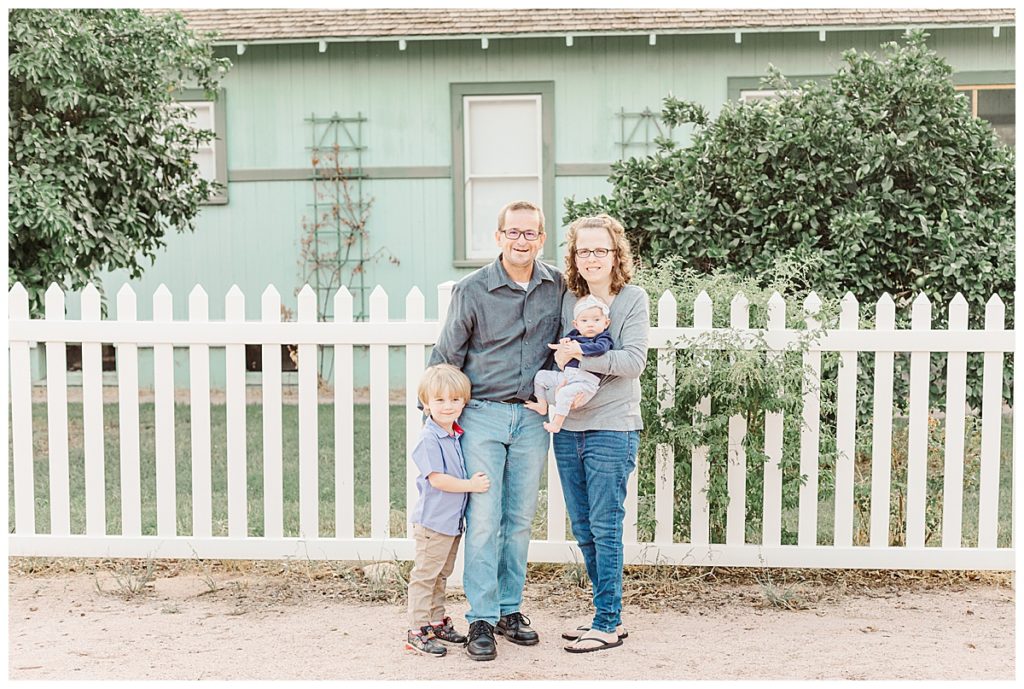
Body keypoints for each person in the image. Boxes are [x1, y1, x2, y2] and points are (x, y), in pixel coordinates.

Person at [428, 200, 565, 661]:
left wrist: (553, 391)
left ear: (542, 238)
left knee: (520, 520)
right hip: (483, 414)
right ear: (499, 236)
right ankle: (481, 617)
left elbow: (570, 345)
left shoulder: (557, 286)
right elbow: (446, 357)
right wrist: (439, 420)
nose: (521, 240)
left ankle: (510, 610)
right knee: (485, 520)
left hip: (530, 419)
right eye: (513, 232)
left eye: (530, 233)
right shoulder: (472, 290)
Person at [549, 214, 649, 654]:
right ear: (574, 256)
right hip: (567, 427)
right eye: (583, 250)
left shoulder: (632, 300)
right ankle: (603, 613)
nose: (591, 258)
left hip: (612, 427)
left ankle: (608, 622)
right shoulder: (566, 300)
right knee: (584, 527)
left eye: (600, 250)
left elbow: (633, 362)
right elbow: (555, 356)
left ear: (615, 255)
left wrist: (580, 360)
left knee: (606, 526)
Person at [405, 364, 491, 657]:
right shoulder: (429, 438)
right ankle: (416, 630)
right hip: (433, 523)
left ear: (464, 402)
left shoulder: (454, 433)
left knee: (441, 575)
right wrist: (471, 485)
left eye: (455, 400)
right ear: (426, 404)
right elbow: (438, 479)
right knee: (425, 576)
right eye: (439, 400)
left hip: (451, 524)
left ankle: (435, 621)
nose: (448, 406)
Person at [526, 294, 613, 433]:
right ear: (576, 324)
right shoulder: (574, 335)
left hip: (586, 382)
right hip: (568, 376)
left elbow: (601, 349)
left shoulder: (602, 338)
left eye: (596, 320)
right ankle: (542, 405)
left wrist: (579, 349)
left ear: (606, 323)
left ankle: (557, 423)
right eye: (584, 320)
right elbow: (565, 344)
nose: (590, 324)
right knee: (541, 376)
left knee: (565, 393)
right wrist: (564, 343)